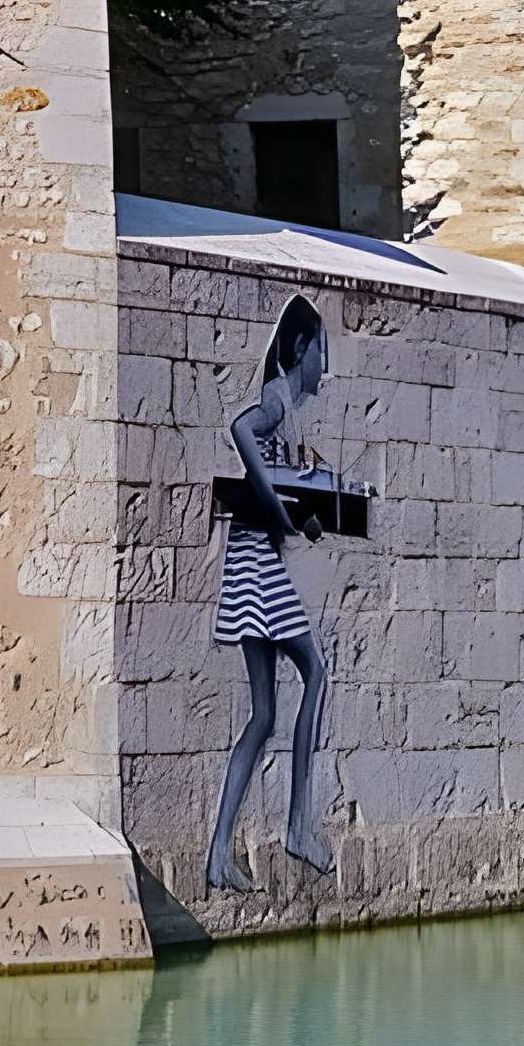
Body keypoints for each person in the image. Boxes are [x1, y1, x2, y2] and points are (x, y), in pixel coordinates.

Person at [208, 295, 338, 891]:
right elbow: (240, 429)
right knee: (315, 670)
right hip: (257, 563)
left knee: (262, 716)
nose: (325, 369)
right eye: (321, 352)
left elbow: (283, 495)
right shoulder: (277, 398)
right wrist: (277, 508)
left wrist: (304, 512)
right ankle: (297, 824)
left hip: (252, 557)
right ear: (301, 348)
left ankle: (218, 854)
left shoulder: (289, 409)